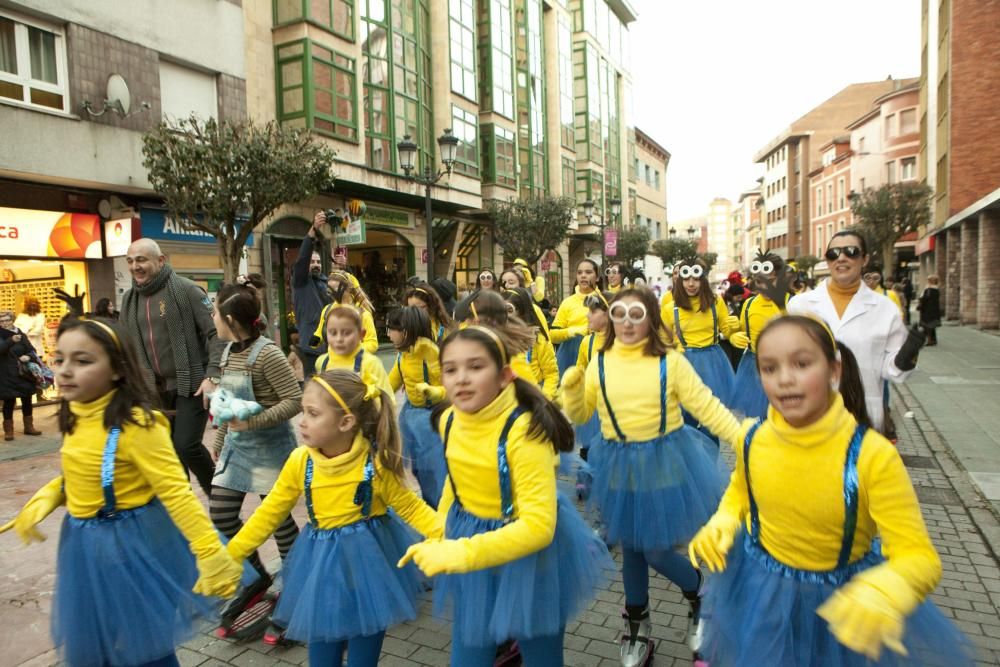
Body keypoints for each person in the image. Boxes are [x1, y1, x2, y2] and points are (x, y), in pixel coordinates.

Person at [690, 315, 971, 666]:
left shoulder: (871, 456)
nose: (785, 378)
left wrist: (887, 588)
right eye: (769, 367)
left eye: (802, 363)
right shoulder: (751, 438)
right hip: (764, 593)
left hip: (842, 609)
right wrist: (722, 522)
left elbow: (919, 557)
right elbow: (740, 495)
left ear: (834, 370)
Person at [0, 316, 243, 667]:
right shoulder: (75, 415)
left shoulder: (138, 424)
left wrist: (209, 552)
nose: (66, 370)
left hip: (131, 549)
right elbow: (93, 470)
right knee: (94, 645)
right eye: (59, 359)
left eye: (83, 361)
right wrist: (55, 494)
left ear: (117, 370)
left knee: (143, 647)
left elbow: (176, 493)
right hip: (84, 550)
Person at [398, 326, 609, 667]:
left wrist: (460, 552)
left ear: (504, 376)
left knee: (541, 656)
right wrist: (440, 529)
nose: (461, 378)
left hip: (531, 557)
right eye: (450, 369)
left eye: (476, 366)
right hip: (471, 541)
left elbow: (539, 527)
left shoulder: (524, 432)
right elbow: (456, 481)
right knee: (468, 654)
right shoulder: (449, 418)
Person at [561, 288, 743, 666]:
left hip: (665, 463)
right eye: (619, 312)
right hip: (618, 466)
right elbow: (580, 416)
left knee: (656, 549)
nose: (627, 321)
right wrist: (573, 390)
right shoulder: (599, 362)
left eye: (636, 312)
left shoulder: (670, 362)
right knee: (632, 547)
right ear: (610, 318)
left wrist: (745, 439)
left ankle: (699, 593)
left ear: (651, 318)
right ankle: (637, 623)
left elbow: (707, 406)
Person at [225, 370, 442, 664]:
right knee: (322, 654)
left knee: (363, 652)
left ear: (346, 422)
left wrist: (448, 536)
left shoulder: (374, 464)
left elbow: (410, 507)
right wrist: (231, 554)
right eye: (303, 411)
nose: (301, 421)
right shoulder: (300, 462)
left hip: (371, 571)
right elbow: (269, 512)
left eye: (312, 413)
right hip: (321, 572)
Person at [207, 278, 303, 643]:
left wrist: (252, 421)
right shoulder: (228, 351)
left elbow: (293, 399)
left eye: (215, 312)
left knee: (278, 522)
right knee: (220, 514)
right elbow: (226, 401)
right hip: (236, 448)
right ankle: (259, 576)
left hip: (269, 450)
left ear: (230, 318)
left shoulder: (268, 353)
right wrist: (220, 436)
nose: (212, 317)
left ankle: (293, 584)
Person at [788, 231, 924, 435]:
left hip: (863, 418)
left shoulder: (885, 309)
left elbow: (893, 371)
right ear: (827, 260)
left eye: (851, 252)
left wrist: (908, 355)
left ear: (864, 259)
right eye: (833, 253)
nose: (841, 258)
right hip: (811, 416)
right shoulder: (799, 305)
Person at [120, 239, 223, 495]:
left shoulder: (187, 290)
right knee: (167, 452)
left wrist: (213, 376)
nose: (136, 266)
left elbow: (217, 334)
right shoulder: (129, 300)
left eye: (141, 260)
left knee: (186, 445)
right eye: (131, 261)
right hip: (152, 390)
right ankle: (183, 507)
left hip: (191, 384)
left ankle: (220, 499)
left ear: (161, 260)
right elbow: (125, 345)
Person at [667, 259, 747, 449]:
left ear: (703, 280)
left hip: (713, 364)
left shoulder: (715, 302)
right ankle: (691, 463)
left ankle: (709, 463)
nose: (691, 284)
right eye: (686, 279)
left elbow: (726, 326)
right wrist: (672, 347)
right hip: (685, 364)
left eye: (696, 278)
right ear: (680, 281)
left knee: (710, 418)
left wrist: (733, 333)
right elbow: (662, 337)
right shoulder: (670, 308)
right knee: (686, 419)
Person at [387, 306, 447, 507]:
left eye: (391, 329)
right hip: (411, 414)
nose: (387, 334)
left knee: (434, 466)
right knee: (417, 466)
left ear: (405, 331)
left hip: (432, 417)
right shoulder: (403, 354)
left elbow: (448, 384)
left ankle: (440, 506)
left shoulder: (429, 352)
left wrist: (435, 391)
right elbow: (392, 381)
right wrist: (378, 395)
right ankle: (431, 503)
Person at [731, 251, 794, 419]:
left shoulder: (793, 302)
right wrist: (733, 335)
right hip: (753, 368)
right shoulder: (749, 304)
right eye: (759, 281)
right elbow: (742, 331)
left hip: (785, 368)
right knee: (756, 419)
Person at [314, 305, 394, 399]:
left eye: (346, 333)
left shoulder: (371, 364)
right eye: (333, 333)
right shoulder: (321, 362)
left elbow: (388, 400)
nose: (339, 339)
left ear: (361, 334)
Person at [292, 212, 335, 375]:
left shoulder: (326, 283)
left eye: (318, 262)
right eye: (312, 262)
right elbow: (302, 259)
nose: (316, 265)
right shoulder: (302, 282)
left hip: (330, 345)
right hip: (312, 348)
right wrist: (313, 231)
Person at [504, 287, 559, 399]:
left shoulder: (537, 339)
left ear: (521, 311)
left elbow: (551, 374)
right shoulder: (496, 336)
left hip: (533, 398)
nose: (504, 314)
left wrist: (544, 400)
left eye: (509, 310)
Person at [550, 259, 603, 374]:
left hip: (597, 357)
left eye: (588, 272)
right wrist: (572, 331)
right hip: (568, 360)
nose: (583, 276)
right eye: (579, 273)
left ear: (597, 277)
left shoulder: (605, 301)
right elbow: (552, 336)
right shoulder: (567, 302)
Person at [310, 269, 378, 355]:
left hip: (354, 364)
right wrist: (317, 338)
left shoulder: (362, 314)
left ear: (348, 288)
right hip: (333, 362)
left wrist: (352, 350)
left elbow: (372, 343)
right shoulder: (327, 310)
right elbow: (320, 330)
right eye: (329, 289)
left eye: (334, 288)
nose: (331, 292)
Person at [1, 310, 42, 440]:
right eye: (1, 321)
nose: (4, 323)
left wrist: (28, 356)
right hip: (6, 373)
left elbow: (32, 350)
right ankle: (9, 431)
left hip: (23, 373)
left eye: (7, 320)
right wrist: (11, 340)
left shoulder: (21, 334)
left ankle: (29, 427)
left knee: (27, 399)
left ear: (12, 320)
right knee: (8, 401)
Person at [917, 275, 942, 346]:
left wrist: (920, 302)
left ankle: (929, 340)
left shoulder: (928, 290)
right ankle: (933, 340)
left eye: (928, 280)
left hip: (927, 310)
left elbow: (924, 299)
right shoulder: (936, 289)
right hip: (934, 310)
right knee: (932, 326)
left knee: (927, 326)